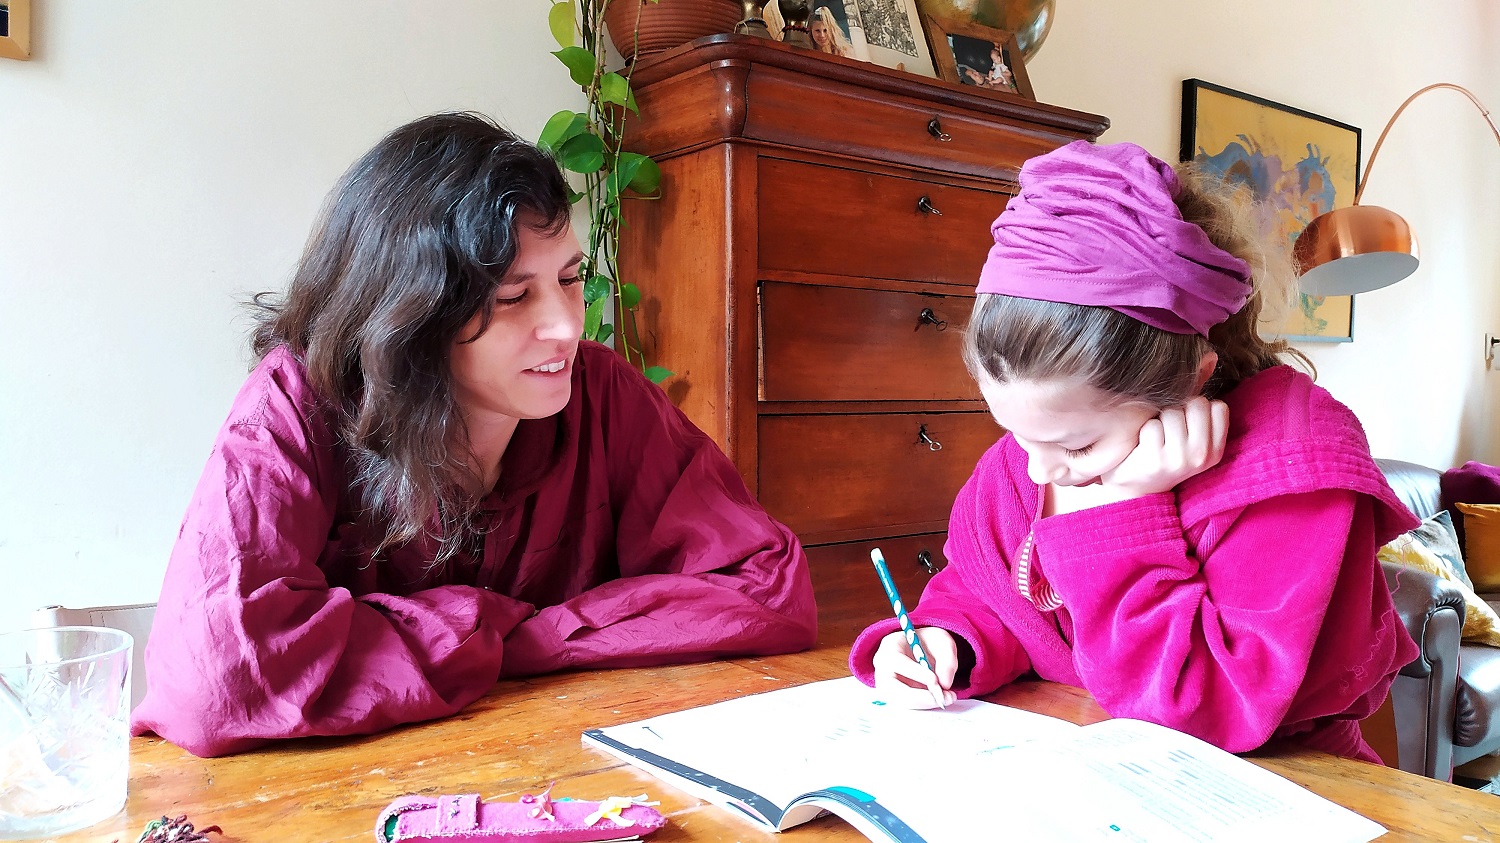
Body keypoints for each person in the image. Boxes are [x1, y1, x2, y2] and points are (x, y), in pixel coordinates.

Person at [133, 112, 818, 757]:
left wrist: (522, 637)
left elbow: (767, 586)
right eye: (514, 297)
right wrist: (482, 627)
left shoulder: (603, 391)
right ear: (410, 316)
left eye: (572, 279)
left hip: (560, 768)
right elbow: (215, 675)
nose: (566, 327)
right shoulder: (299, 401)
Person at [849, 140, 1418, 764]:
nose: (1037, 469)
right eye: (1014, 433)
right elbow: (996, 596)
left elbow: (1202, 714)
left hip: (1281, 789)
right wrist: (944, 639)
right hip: (1079, 764)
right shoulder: (1039, 453)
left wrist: (1121, 512)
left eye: (1077, 444)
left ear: (1192, 379)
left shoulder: (1292, 467)